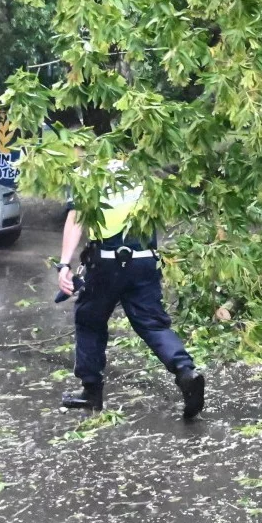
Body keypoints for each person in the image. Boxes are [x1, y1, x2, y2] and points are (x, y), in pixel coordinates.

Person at [57, 169, 205, 419]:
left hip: (106, 263)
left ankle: (91, 392)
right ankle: (185, 372)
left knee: (89, 321)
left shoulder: (89, 173)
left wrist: (64, 264)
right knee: (153, 324)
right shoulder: (145, 169)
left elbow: (77, 218)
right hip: (145, 260)